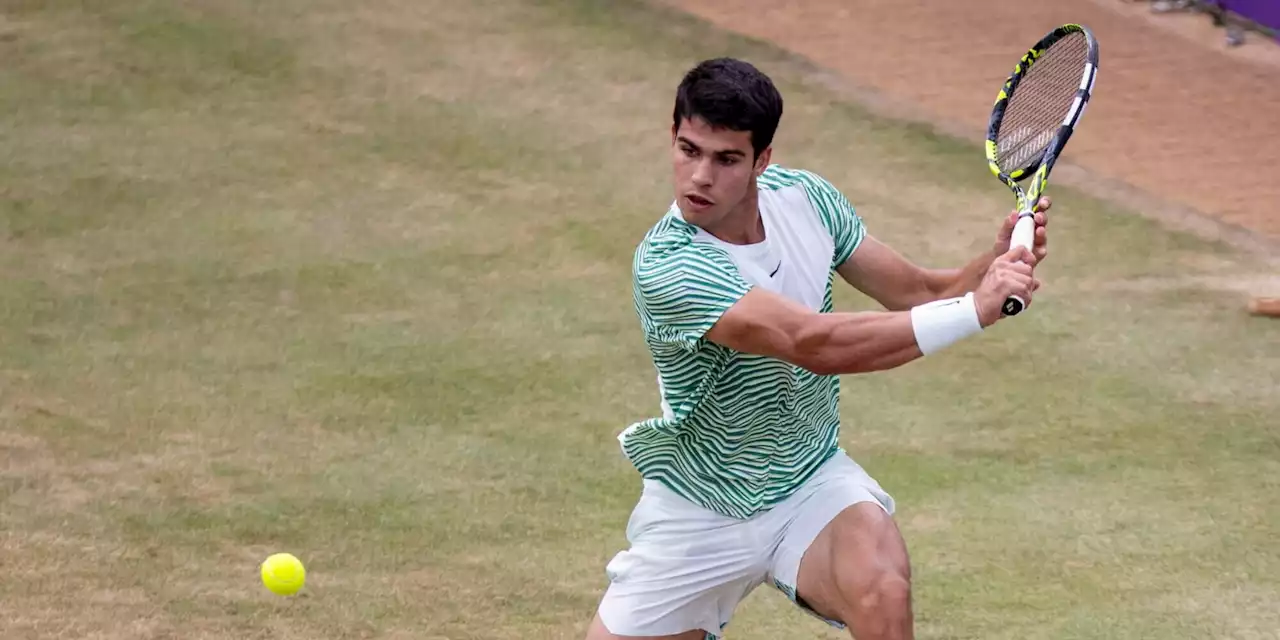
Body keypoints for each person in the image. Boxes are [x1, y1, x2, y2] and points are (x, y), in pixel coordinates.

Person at [585, 57, 1050, 640]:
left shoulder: (806, 200)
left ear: (762, 161)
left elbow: (918, 291)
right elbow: (811, 343)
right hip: (702, 505)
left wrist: (993, 261)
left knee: (883, 588)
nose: (699, 176)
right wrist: (978, 309)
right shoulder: (670, 265)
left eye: (726, 159)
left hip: (810, 480)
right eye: (688, 150)